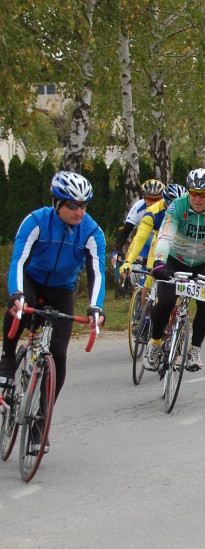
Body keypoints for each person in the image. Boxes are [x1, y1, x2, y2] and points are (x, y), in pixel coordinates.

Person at [1, 172, 106, 437]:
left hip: (62, 289)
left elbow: (98, 272)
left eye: (84, 205)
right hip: (32, 278)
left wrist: (96, 307)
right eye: (72, 205)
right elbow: (18, 260)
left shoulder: (92, 231)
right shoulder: (36, 221)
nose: (79, 211)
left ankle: (41, 419)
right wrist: (16, 293)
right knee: (21, 310)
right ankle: (7, 357)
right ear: (57, 203)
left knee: (58, 354)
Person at [142, 169, 205, 373]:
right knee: (165, 302)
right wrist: (159, 263)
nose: (197, 198)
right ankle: (155, 343)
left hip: (204, 262)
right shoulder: (177, 206)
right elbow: (165, 235)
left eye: (203, 194)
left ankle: (194, 350)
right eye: (193, 193)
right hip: (176, 259)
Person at [119, 183, 188, 306]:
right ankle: (146, 317)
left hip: (181, 246)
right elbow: (139, 238)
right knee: (151, 277)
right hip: (159, 243)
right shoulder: (153, 211)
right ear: (164, 203)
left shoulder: (192, 211)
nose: (174, 210)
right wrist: (128, 261)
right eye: (169, 206)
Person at [113, 178, 165, 267]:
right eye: (149, 199)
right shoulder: (138, 206)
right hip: (144, 242)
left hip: (160, 244)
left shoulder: (166, 208)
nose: (152, 203)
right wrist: (117, 249)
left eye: (156, 200)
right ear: (144, 197)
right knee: (134, 270)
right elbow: (126, 231)